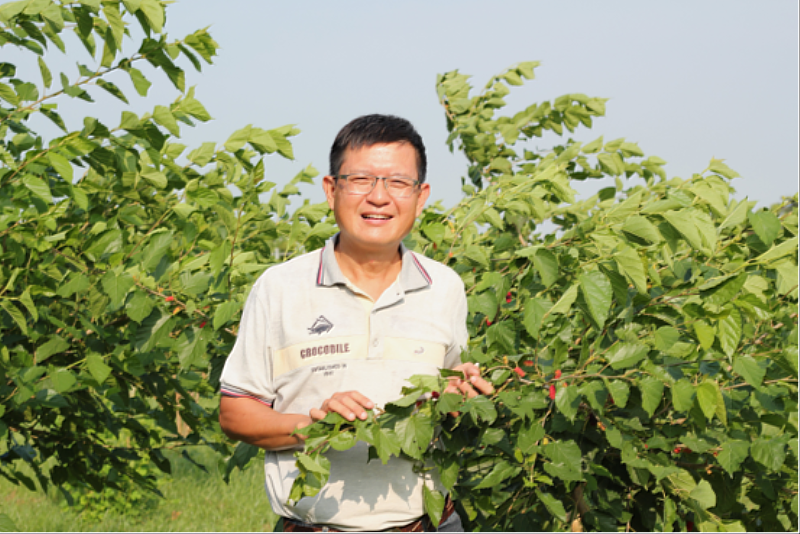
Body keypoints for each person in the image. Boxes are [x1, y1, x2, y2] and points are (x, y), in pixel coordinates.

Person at [218, 114, 493, 532]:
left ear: (421, 197)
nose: (379, 197)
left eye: (398, 183)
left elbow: (449, 387)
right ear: (332, 190)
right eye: (361, 179)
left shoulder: (445, 288)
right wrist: (314, 425)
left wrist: (462, 393)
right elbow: (236, 413)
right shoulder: (281, 287)